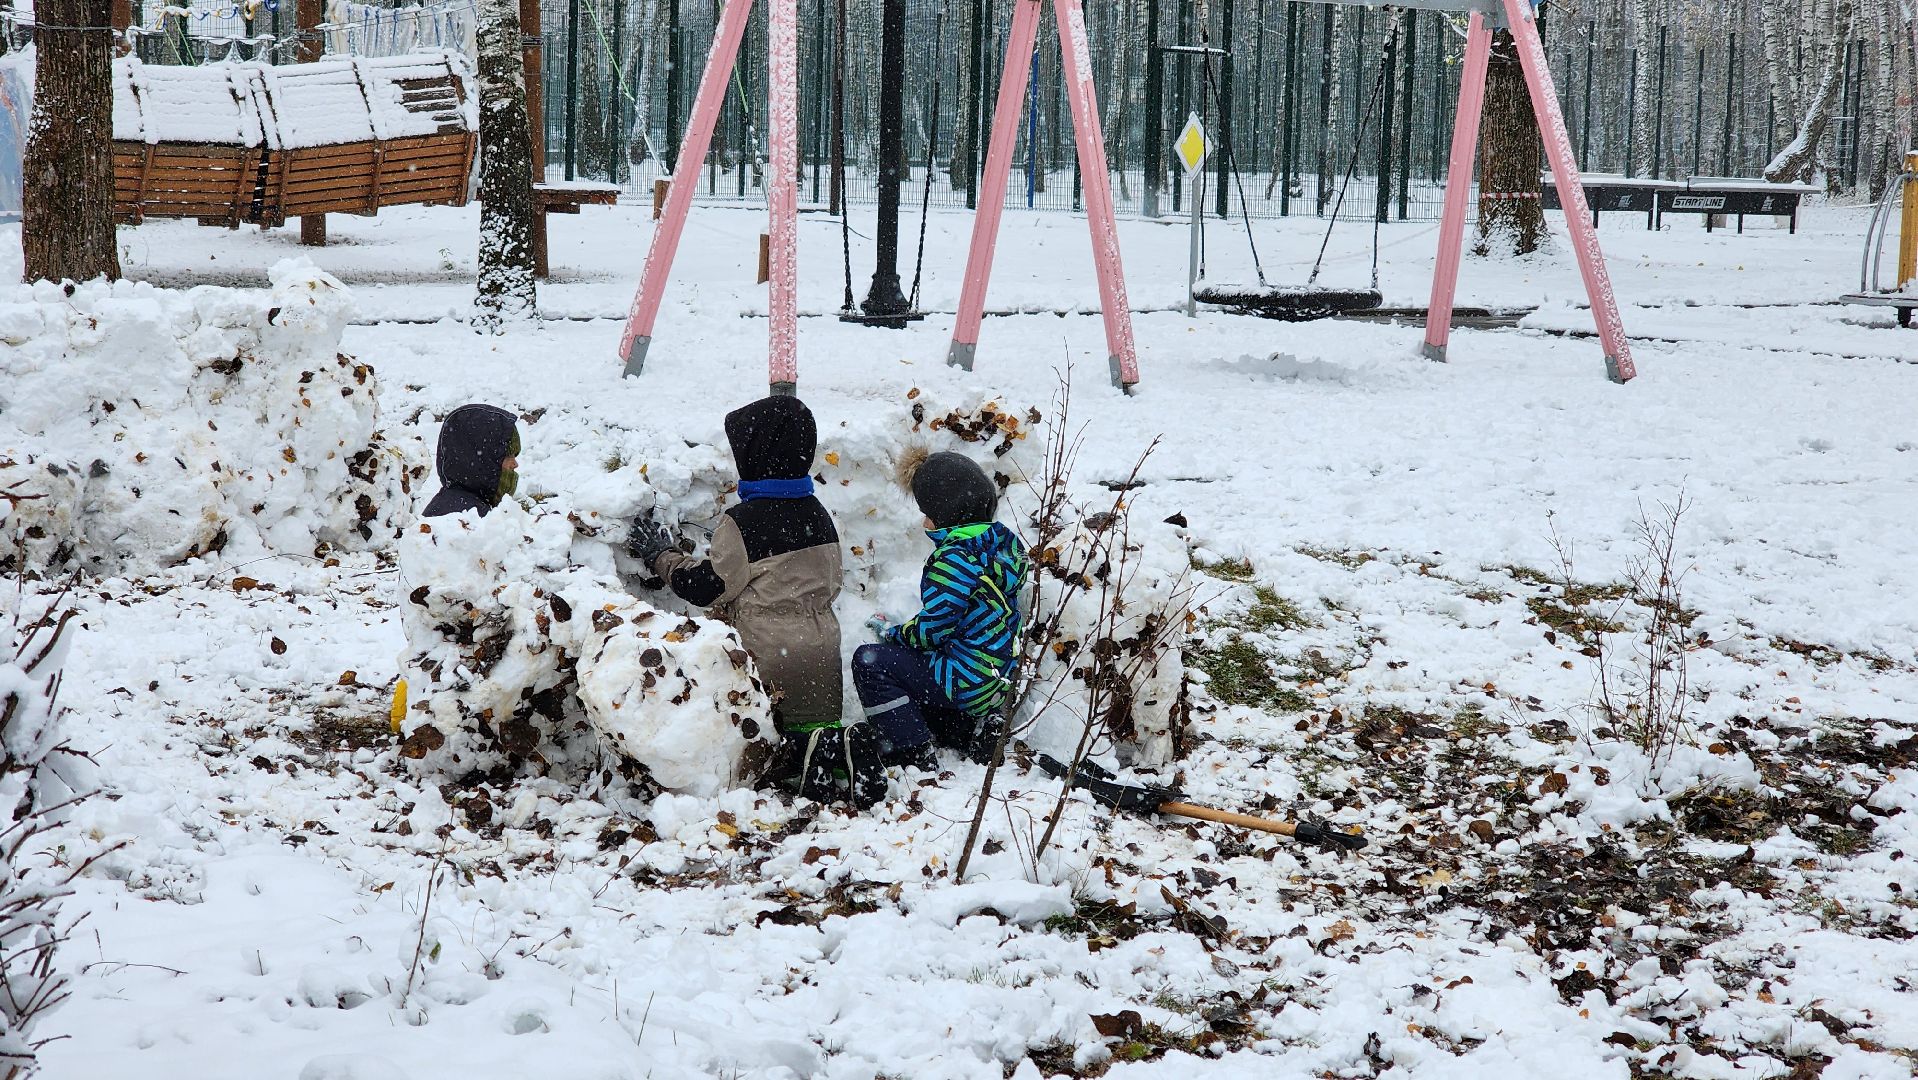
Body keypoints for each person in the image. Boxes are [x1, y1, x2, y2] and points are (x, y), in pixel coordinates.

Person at [628, 396, 883, 807]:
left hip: (771, 659)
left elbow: (707, 586)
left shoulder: (744, 522)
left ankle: (802, 766)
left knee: (772, 747)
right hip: (821, 658)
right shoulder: (819, 515)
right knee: (815, 732)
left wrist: (662, 557)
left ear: (754, 456)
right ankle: (844, 750)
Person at [854, 451, 1027, 770]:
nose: (924, 522)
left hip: (966, 679)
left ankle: (910, 752)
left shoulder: (953, 560)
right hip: (995, 679)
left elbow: (933, 630)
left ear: (946, 514)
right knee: (930, 669)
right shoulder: (999, 547)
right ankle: (963, 731)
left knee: (871, 663)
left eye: (928, 513)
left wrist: (893, 634)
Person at [423, 404, 520, 518]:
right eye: (508, 456)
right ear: (484, 461)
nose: (515, 464)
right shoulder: (466, 516)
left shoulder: (464, 504)